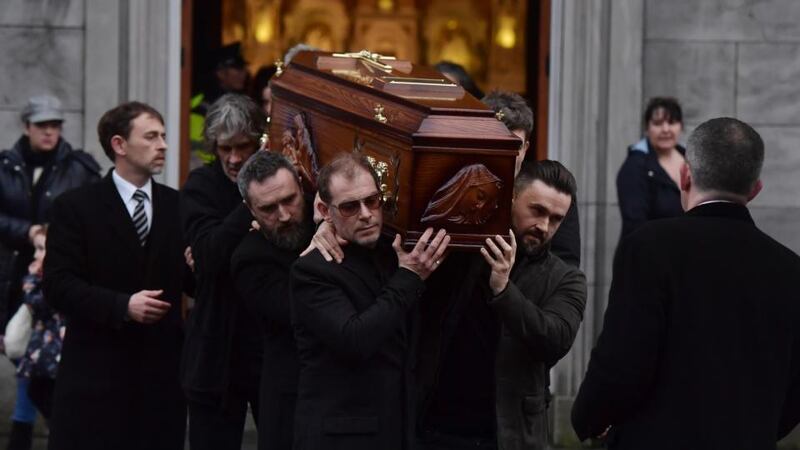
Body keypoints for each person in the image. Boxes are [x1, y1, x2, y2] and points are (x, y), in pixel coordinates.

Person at [572, 118, 800, 449]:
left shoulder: (650, 247)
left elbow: (622, 362)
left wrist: (588, 417)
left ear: (685, 174)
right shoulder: (791, 270)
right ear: (755, 189)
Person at [43, 102, 187, 450]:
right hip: (96, 376)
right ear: (119, 145)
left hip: (160, 380)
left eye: (164, 136)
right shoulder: (75, 207)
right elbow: (58, 285)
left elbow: (191, 279)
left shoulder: (178, 205)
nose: (163, 145)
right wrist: (123, 305)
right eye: (151, 136)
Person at [416, 160, 587, 450]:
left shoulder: (566, 279)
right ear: (512, 199)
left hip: (508, 434)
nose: (544, 226)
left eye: (556, 219)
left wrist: (503, 290)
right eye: (537, 211)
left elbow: (554, 339)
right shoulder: (467, 248)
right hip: (436, 427)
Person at [290, 153, 450, 450]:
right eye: (350, 207)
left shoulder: (392, 251)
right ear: (325, 210)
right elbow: (355, 339)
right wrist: (408, 278)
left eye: (372, 201)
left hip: (399, 429)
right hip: (341, 438)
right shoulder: (311, 270)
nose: (365, 213)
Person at [0, 94, 99, 449]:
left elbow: (94, 217)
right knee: (23, 353)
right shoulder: (6, 166)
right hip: (13, 277)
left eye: (55, 125)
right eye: (42, 125)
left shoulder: (80, 167)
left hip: (59, 280)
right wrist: (25, 231)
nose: (49, 132)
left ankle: (32, 430)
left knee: (44, 364)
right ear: (26, 126)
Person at [180, 93, 264, 450]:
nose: (234, 158)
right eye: (225, 148)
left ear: (259, 141)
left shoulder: (283, 181)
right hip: (215, 349)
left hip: (267, 347)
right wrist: (251, 205)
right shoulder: (201, 185)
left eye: (242, 147)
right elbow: (210, 257)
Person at [231, 151, 315, 450]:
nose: (283, 215)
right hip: (290, 399)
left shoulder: (326, 221)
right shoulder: (249, 259)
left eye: (290, 200)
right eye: (268, 208)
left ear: (302, 189)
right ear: (250, 209)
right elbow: (304, 312)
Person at [482, 90, 581, 267]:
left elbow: (565, 265)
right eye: (496, 142)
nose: (505, 152)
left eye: (514, 144)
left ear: (526, 147)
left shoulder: (548, 192)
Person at [616, 97, 685, 238]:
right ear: (647, 128)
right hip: (649, 253)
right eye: (658, 123)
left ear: (681, 126)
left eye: (671, 122)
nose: (665, 129)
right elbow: (635, 226)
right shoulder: (634, 167)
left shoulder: (692, 160)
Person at [16, 224, 63, 423]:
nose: (36, 255)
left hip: (55, 350)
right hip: (45, 347)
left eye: (41, 249)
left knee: (46, 395)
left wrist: (33, 279)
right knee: (36, 391)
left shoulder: (56, 277)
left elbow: (38, 302)